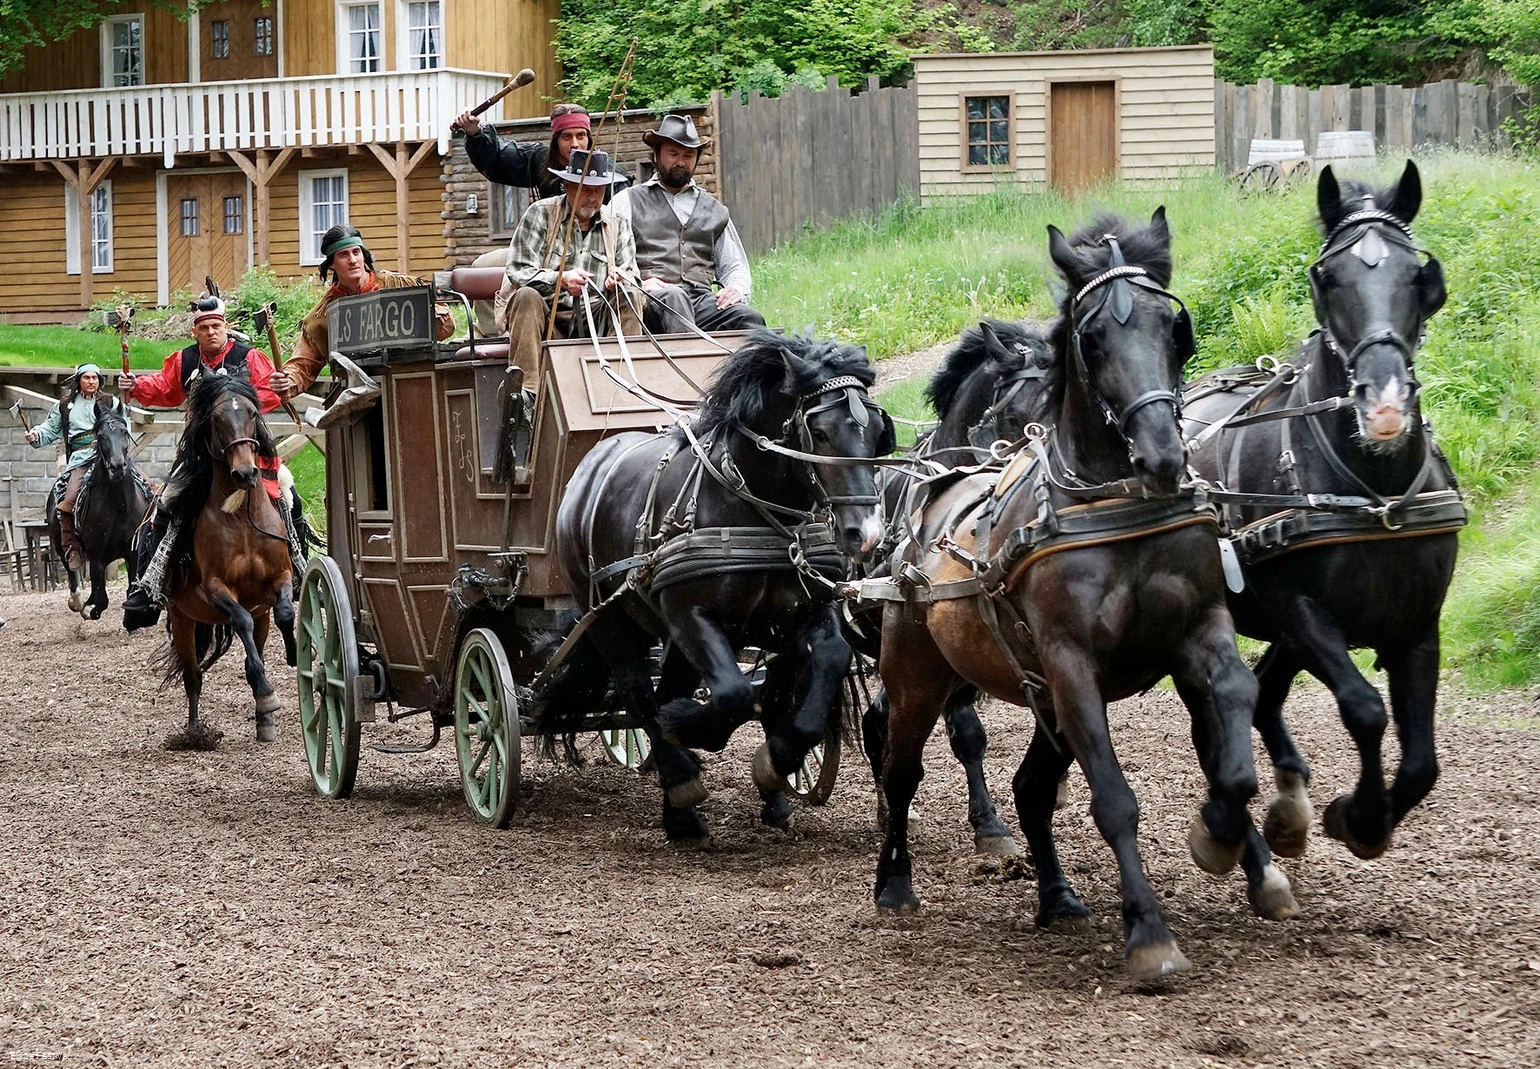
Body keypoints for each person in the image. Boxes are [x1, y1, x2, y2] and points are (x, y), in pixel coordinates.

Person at [118, 297, 293, 628]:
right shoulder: (186, 360)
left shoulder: (249, 357)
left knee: (288, 495)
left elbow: (270, 393)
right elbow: (165, 389)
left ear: (226, 327)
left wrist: (282, 386)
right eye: (203, 327)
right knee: (163, 509)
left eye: (216, 326)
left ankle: (297, 562)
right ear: (195, 331)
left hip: (248, 452)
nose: (211, 332)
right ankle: (149, 585)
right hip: (199, 458)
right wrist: (136, 385)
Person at [609, 114, 765, 335]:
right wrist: (637, 283)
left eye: (688, 155)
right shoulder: (627, 200)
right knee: (674, 297)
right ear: (656, 154)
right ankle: (692, 369)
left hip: (701, 302)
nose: (680, 162)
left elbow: (734, 265)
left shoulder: (715, 210)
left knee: (749, 318)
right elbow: (606, 255)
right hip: (649, 301)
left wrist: (736, 288)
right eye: (673, 153)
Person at [268, 225, 455, 400]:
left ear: (363, 255)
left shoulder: (399, 286)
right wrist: (287, 381)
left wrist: (432, 314)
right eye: (343, 255)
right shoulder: (322, 317)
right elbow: (302, 366)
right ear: (331, 264)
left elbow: (446, 328)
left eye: (356, 252)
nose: (352, 260)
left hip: (411, 386)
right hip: (356, 398)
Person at [502, 148, 645, 375]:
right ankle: (526, 394)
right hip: (547, 318)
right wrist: (560, 279)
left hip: (597, 321)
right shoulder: (540, 214)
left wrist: (619, 278)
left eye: (597, 190)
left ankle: (623, 383)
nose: (591, 197)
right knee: (526, 296)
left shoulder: (618, 223)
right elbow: (519, 271)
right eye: (584, 188)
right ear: (566, 186)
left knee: (630, 294)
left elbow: (633, 277)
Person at [27, 363, 122, 590]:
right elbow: (50, 428)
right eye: (86, 377)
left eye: (95, 378)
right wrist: (35, 435)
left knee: (143, 487)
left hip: (110, 455)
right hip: (81, 459)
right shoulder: (66, 407)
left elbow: (122, 424)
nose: (91, 381)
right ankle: (71, 546)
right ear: (79, 380)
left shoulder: (111, 402)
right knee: (68, 498)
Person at [454, 103, 628, 205]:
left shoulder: (609, 173)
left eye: (580, 136)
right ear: (556, 140)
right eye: (567, 137)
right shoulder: (540, 159)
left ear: (589, 138)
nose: (575, 144)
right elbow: (498, 156)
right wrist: (475, 132)